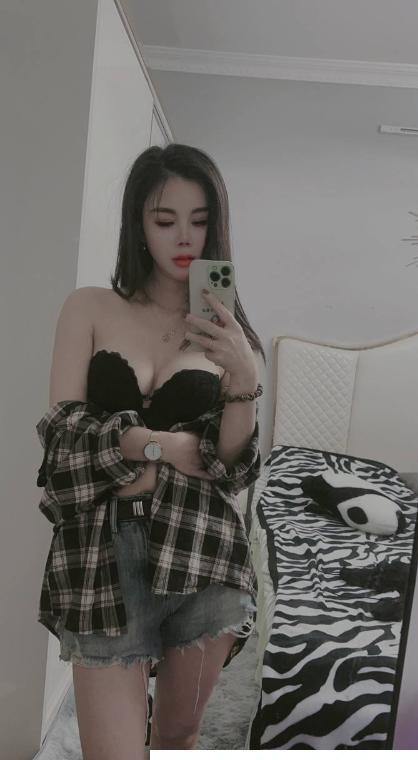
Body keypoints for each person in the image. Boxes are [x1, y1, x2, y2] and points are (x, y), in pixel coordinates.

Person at [37, 143, 266, 756]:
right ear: (138, 224)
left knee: (176, 736)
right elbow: (61, 440)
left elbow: (232, 468)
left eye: (200, 220)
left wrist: (244, 376)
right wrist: (156, 445)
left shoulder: (231, 340)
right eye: (165, 220)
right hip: (101, 558)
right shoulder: (90, 308)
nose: (184, 237)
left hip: (204, 552)